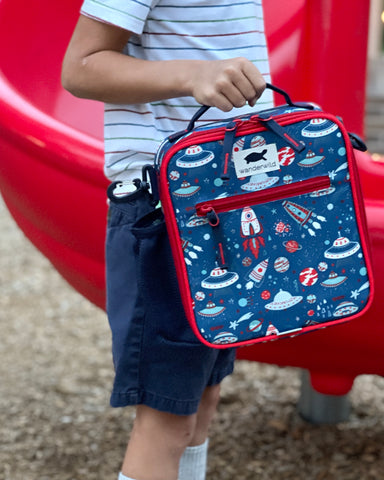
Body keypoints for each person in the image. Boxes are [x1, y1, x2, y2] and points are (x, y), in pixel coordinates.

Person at [61, 2, 274, 480]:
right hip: (169, 209)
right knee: (167, 417)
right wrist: (194, 74)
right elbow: (80, 67)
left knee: (203, 398)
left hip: (228, 198)